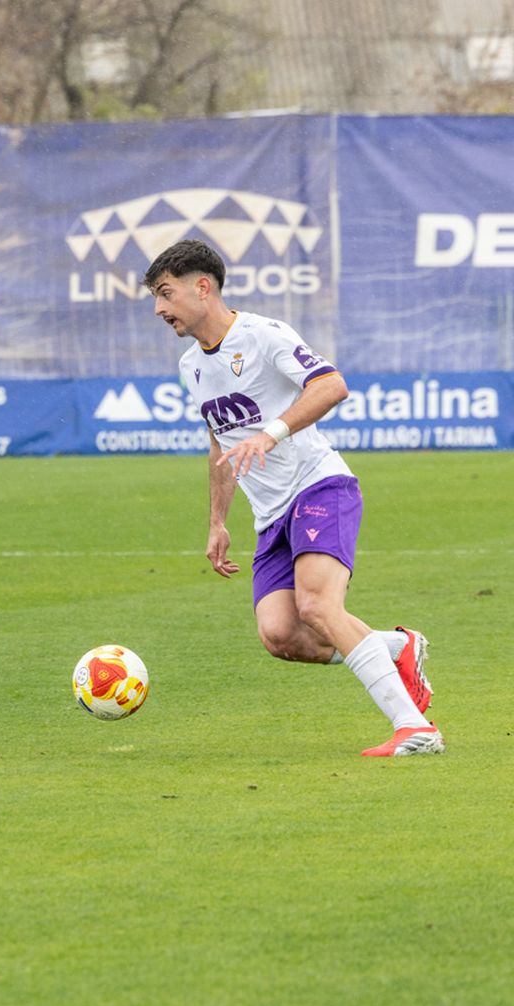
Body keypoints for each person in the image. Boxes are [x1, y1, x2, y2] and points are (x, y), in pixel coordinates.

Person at [143, 239, 439, 757]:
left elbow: (331, 385)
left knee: (318, 606)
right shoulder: (191, 365)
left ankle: (415, 729)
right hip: (271, 514)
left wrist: (272, 432)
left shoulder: (263, 335)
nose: (159, 309)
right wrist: (217, 521)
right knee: (281, 635)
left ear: (203, 287)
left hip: (320, 484)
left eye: (166, 294)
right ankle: (397, 646)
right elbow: (220, 441)